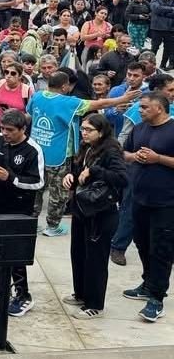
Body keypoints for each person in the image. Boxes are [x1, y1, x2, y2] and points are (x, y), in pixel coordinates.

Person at [27, 71, 138, 237]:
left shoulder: (37, 96)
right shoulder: (68, 102)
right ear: (64, 86)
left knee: (36, 188)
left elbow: (29, 113)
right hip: (58, 155)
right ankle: (52, 226)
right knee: (58, 192)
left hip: (36, 152)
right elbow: (99, 104)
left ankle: (31, 222)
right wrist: (122, 99)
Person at [60, 113, 128, 319]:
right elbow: (80, 171)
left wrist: (94, 171)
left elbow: (121, 178)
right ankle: (81, 293)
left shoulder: (111, 150)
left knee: (95, 259)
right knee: (78, 253)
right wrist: (71, 176)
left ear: (101, 131)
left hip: (101, 212)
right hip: (82, 208)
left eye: (89, 130)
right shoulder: (86, 147)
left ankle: (95, 304)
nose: (84, 133)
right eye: (82, 129)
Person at [0, 109, 45, 317]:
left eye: (10, 130)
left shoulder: (32, 150)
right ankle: (1, 288)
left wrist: (10, 178)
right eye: (2, 128)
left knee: (16, 255)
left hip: (18, 209)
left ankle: (23, 295)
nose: (5, 133)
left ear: (23, 129)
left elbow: (38, 182)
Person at [121, 91, 174, 322]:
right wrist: (134, 157)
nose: (139, 111)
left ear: (159, 108)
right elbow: (123, 152)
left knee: (161, 249)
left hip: (166, 202)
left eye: (143, 107)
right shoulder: (139, 128)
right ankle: (148, 282)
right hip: (139, 198)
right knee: (142, 243)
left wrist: (158, 159)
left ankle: (156, 298)